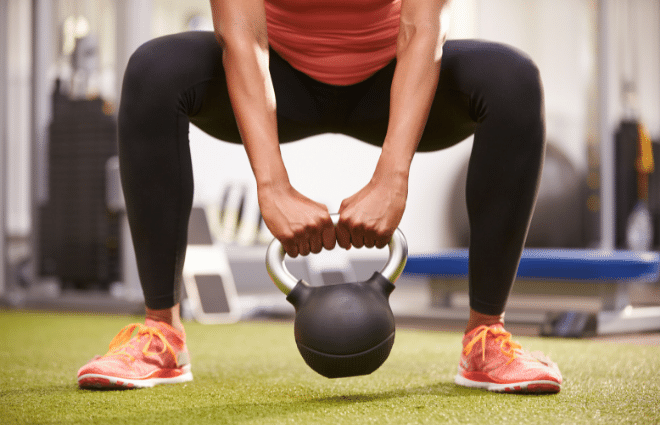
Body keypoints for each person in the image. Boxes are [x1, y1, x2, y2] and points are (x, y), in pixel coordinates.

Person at [77, 0, 562, 393]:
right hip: (279, 75)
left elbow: (421, 32)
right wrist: (273, 187)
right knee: (152, 70)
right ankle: (162, 332)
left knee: (514, 81)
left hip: (389, 75)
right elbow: (242, 37)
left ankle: (485, 336)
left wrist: (392, 177)